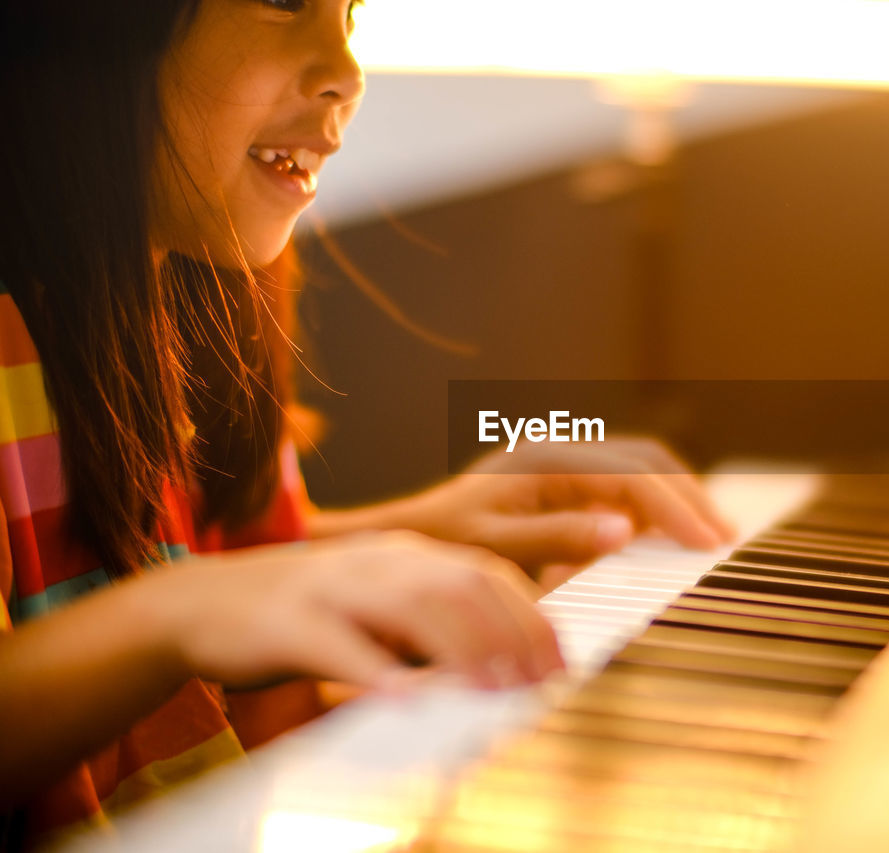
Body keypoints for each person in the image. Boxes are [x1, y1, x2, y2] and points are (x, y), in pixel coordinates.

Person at [0, 1, 733, 848]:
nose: (348, 71)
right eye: (286, 2)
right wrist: (186, 606)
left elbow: (203, 587)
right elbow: (179, 604)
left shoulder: (193, 293)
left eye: (351, 12)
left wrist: (425, 530)